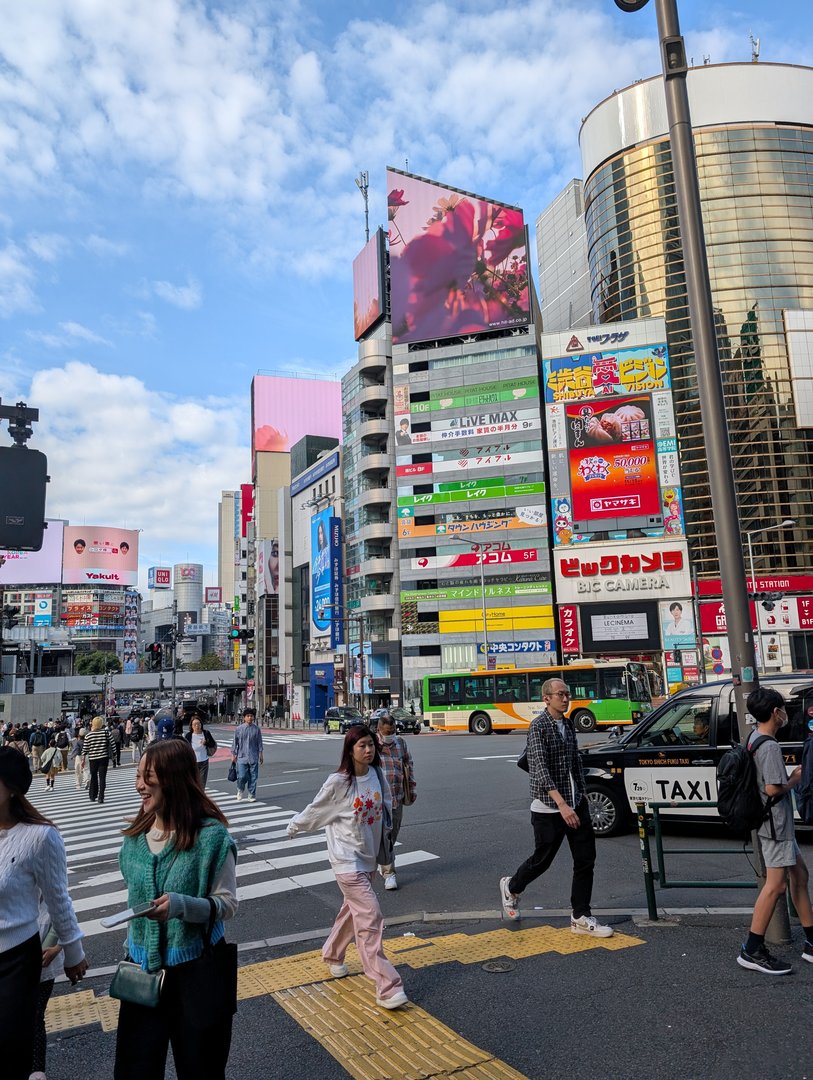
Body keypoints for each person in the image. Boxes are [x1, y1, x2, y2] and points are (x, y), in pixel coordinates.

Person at [114, 739, 238, 1080]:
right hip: (141, 971)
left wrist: (182, 906)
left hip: (197, 974)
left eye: (148, 777)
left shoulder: (212, 838)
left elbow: (227, 904)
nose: (139, 785)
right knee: (134, 1070)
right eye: (139, 775)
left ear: (174, 780)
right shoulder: (134, 837)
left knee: (202, 1070)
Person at [286, 725, 409, 1009]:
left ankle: (332, 953)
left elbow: (386, 809)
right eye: (362, 746)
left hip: (367, 857)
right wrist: (294, 826)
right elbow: (317, 810)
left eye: (370, 745)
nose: (368, 750)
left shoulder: (377, 776)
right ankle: (386, 985)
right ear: (350, 750)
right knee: (370, 916)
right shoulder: (339, 782)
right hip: (345, 860)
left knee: (352, 913)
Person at [499, 678, 613, 937]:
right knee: (542, 860)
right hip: (549, 807)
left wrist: (581, 795)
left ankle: (580, 916)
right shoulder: (538, 727)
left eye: (567, 694)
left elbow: (575, 762)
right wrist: (562, 805)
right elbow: (539, 769)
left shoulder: (569, 725)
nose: (565, 698)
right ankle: (512, 887)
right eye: (559, 694)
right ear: (547, 698)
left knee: (585, 860)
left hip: (575, 803)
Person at [0, 747, 87, 1080]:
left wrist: (73, 952)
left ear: (10, 787)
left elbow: (58, 899)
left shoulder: (40, 837)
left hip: (16, 961)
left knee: (10, 1052)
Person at [737, 686, 813, 975]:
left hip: (775, 825)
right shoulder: (768, 746)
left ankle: (811, 942)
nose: (785, 714)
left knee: (800, 876)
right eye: (782, 709)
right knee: (775, 886)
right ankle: (752, 949)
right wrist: (794, 779)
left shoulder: (754, 737)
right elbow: (772, 789)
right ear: (775, 712)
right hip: (775, 825)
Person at [375, 713, 417, 891]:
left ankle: (383, 859)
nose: (390, 734)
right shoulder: (373, 745)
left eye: (392, 730)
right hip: (379, 802)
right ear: (379, 730)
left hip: (397, 796)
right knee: (385, 836)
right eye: (387, 732)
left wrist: (412, 788)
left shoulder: (401, 743)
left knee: (393, 834)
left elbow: (409, 764)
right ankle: (389, 872)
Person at [31, 897, 64, 1080]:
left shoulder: (48, 876)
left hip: (44, 965)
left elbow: (64, 914)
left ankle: (37, 1072)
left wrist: (56, 948)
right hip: (15, 962)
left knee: (35, 1016)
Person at [231, 708, 263, 803]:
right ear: (244, 717)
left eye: (251, 716)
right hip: (242, 756)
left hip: (254, 756)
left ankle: (251, 794)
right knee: (242, 776)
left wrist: (261, 754)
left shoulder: (256, 729)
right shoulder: (239, 729)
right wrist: (233, 754)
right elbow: (235, 742)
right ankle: (240, 789)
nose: (250, 718)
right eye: (248, 716)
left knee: (254, 776)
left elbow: (259, 743)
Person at [83, 716, 114, 804]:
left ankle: (93, 795)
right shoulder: (106, 732)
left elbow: (85, 749)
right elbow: (112, 744)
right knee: (102, 778)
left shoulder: (88, 735)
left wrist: (83, 758)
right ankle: (101, 797)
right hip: (103, 758)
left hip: (93, 759)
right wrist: (114, 755)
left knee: (94, 777)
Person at [185, 714, 217, 788]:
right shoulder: (189, 736)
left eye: (198, 724)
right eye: (195, 724)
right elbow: (185, 748)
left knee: (202, 784)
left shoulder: (206, 733)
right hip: (192, 763)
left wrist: (206, 743)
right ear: (191, 726)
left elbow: (213, 744)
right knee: (193, 783)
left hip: (204, 762)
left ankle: (200, 797)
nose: (197, 726)